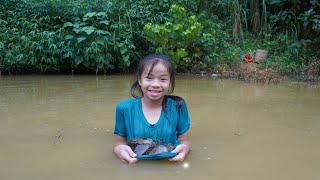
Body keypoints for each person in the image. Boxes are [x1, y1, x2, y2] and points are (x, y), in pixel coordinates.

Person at [113, 54, 191, 164]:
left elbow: (184, 141)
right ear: (139, 80)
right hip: (136, 166)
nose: (155, 84)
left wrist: (185, 150)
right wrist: (118, 150)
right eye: (149, 78)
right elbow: (119, 143)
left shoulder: (178, 106)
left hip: (168, 165)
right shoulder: (124, 108)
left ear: (170, 83)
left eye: (163, 79)